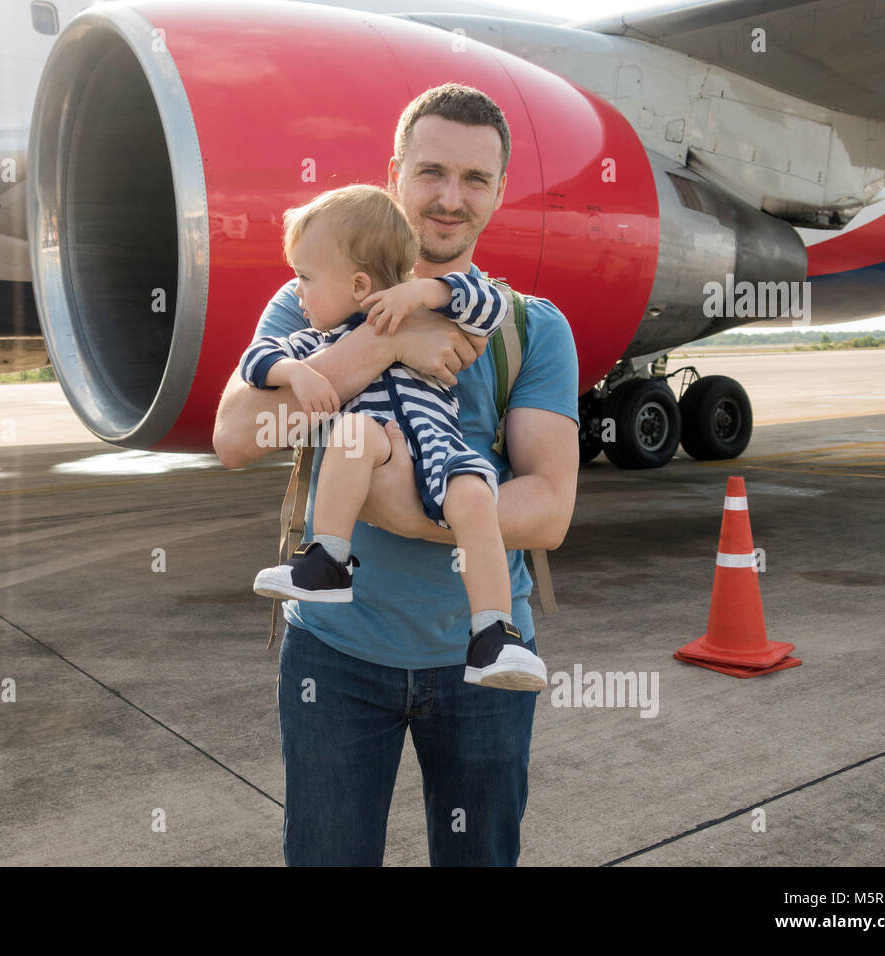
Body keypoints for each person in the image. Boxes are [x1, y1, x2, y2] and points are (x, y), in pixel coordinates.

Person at [213, 83, 579, 866]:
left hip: (477, 671)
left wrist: (408, 513)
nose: (451, 199)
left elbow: (548, 511)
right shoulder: (309, 297)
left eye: (475, 179)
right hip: (335, 662)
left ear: (499, 191)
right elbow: (237, 435)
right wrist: (383, 345)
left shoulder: (529, 328)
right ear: (394, 173)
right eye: (432, 172)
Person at [241, 184, 546, 691]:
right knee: (354, 432)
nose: (296, 291)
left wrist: (426, 291)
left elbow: (489, 306)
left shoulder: (428, 314)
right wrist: (296, 373)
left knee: (476, 493)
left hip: (438, 447)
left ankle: (494, 633)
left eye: (305, 278)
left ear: (359, 284)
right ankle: (328, 561)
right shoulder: (321, 342)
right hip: (379, 446)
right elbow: (258, 361)